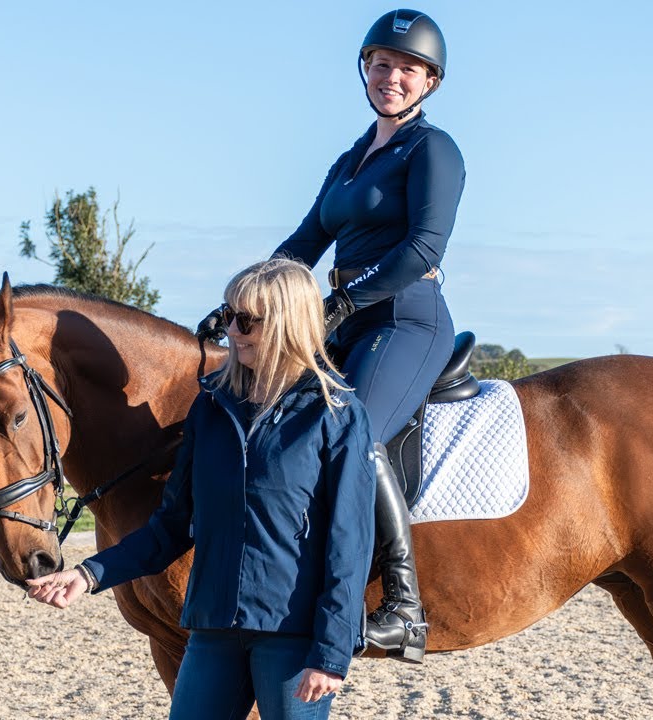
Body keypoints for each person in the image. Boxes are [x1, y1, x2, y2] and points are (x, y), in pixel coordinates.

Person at [197, 9, 463, 663]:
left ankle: (404, 607)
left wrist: (342, 300)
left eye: (407, 68)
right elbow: (302, 245)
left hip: (405, 318)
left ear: (429, 80)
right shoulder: (352, 158)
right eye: (381, 64)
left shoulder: (434, 149)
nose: (391, 77)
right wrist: (238, 304)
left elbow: (423, 243)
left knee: (353, 429)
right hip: (348, 319)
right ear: (364, 71)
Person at [30, 258, 376, 720]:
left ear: (288, 324)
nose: (231, 330)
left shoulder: (336, 415)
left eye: (247, 320)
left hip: (291, 637)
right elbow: (170, 527)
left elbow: (348, 542)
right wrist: (89, 575)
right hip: (213, 629)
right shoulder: (210, 409)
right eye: (229, 315)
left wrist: (332, 653)